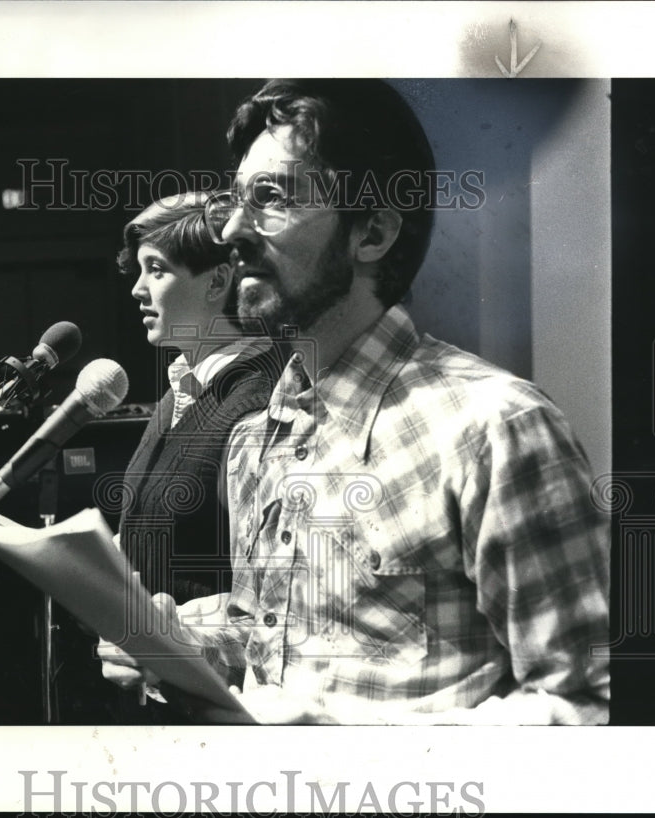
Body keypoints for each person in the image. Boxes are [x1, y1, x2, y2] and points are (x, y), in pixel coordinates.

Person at [102, 80, 610, 725]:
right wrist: (176, 643)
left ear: (371, 232)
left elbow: (586, 701)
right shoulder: (257, 438)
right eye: (237, 200)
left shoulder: (493, 427)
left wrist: (343, 747)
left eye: (272, 199)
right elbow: (276, 639)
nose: (231, 229)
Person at [99, 191, 283, 718]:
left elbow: (273, 600)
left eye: (156, 270)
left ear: (219, 281)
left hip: (214, 710)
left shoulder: (258, 405)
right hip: (156, 696)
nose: (136, 289)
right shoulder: (183, 389)